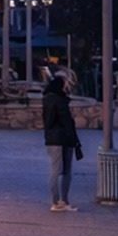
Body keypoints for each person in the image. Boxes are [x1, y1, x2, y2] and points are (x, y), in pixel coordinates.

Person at [42, 72, 82, 212]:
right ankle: (61, 201)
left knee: (55, 169)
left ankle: (56, 200)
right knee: (65, 171)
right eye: (65, 83)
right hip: (64, 139)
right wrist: (75, 141)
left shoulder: (47, 99)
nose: (67, 85)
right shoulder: (60, 100)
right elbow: (67, 122)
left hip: (51, 139)